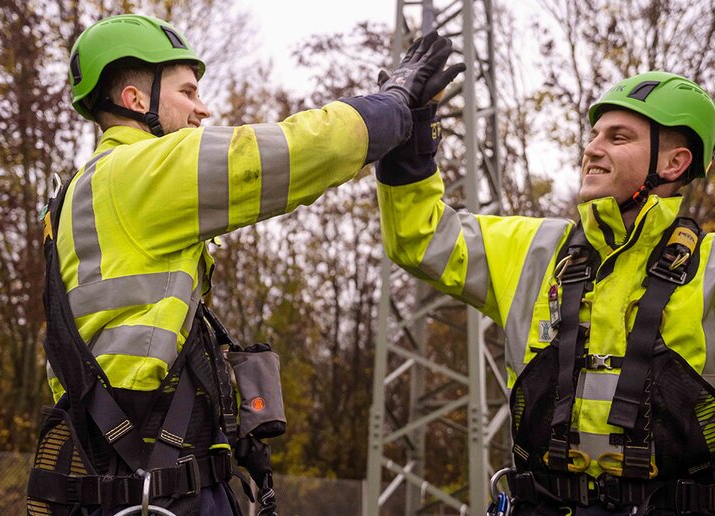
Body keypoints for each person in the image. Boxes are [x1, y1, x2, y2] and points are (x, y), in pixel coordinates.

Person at [24, 14, 464, 516]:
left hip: (126, 472)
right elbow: (298, 151)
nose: (202, 108)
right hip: (156, 485)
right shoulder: (138, 171)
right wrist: (394, 102)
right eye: (187, 92)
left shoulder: (80, 192)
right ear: (136, 100)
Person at [375, 71, 715, 514]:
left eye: (618, 137)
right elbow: (422, 238)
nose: (591, 149)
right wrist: (410, 144)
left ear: (673, 163)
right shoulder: (534, 251)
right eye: (593, 135)